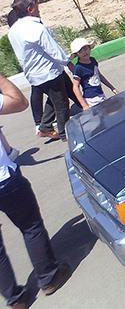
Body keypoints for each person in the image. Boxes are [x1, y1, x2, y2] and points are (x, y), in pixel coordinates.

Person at [0, 74, 71, 308]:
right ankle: (48, 277)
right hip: (4, 180)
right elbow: (19, 102)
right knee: (30, 226)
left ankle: (15, 299)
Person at [6, 0, 78, 139]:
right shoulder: (37, 28)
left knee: (54, 98)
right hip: (48, 71)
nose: (39, 11)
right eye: (37, 8)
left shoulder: (13, 30)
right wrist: (68, 62)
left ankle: (44, 126)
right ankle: (65, 133)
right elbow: (53, 50)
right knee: (62, 104)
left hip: (33, 73)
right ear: (30, 9)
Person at [70, 38, 117, 110]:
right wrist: (84, 105)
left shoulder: (93, 60)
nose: (84, 52)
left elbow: (99, 75)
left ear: (89, 48)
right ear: (76, 54)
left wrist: (112, 88)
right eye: (80, 51)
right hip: (91, 100)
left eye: (85, 48)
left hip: (101, 94)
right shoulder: (78, 68)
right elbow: (75, 87)